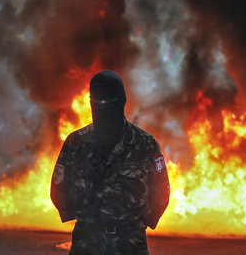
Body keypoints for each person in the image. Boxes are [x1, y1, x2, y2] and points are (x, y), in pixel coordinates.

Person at [51, 70, 170, 255]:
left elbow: (161, 190)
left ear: (122, 100)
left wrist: (141, 223)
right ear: (90, 102)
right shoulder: (76, 143)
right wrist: (80, 218)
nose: (104, 107)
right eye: (99, 101)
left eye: (109, 100)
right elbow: (58, 188)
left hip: (130, 245)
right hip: (87, 244)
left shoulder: (145, 143)